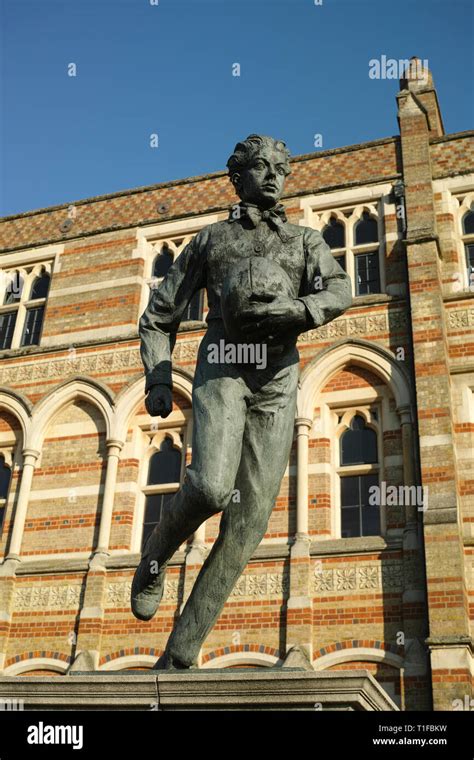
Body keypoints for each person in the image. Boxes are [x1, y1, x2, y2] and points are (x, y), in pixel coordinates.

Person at [130, 134, 352, 669]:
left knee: (249, 523)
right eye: (261, 166)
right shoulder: (212, 241)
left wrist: (297, 312)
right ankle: (154, 557)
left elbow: (339, 290)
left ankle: (181, 652)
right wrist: (159, 378)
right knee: (209, 485)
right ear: (238, 176)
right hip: (225, 362)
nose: (273, 175)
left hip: (277, 377)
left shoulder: (304, 241)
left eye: (281, 168)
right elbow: (160, 316)